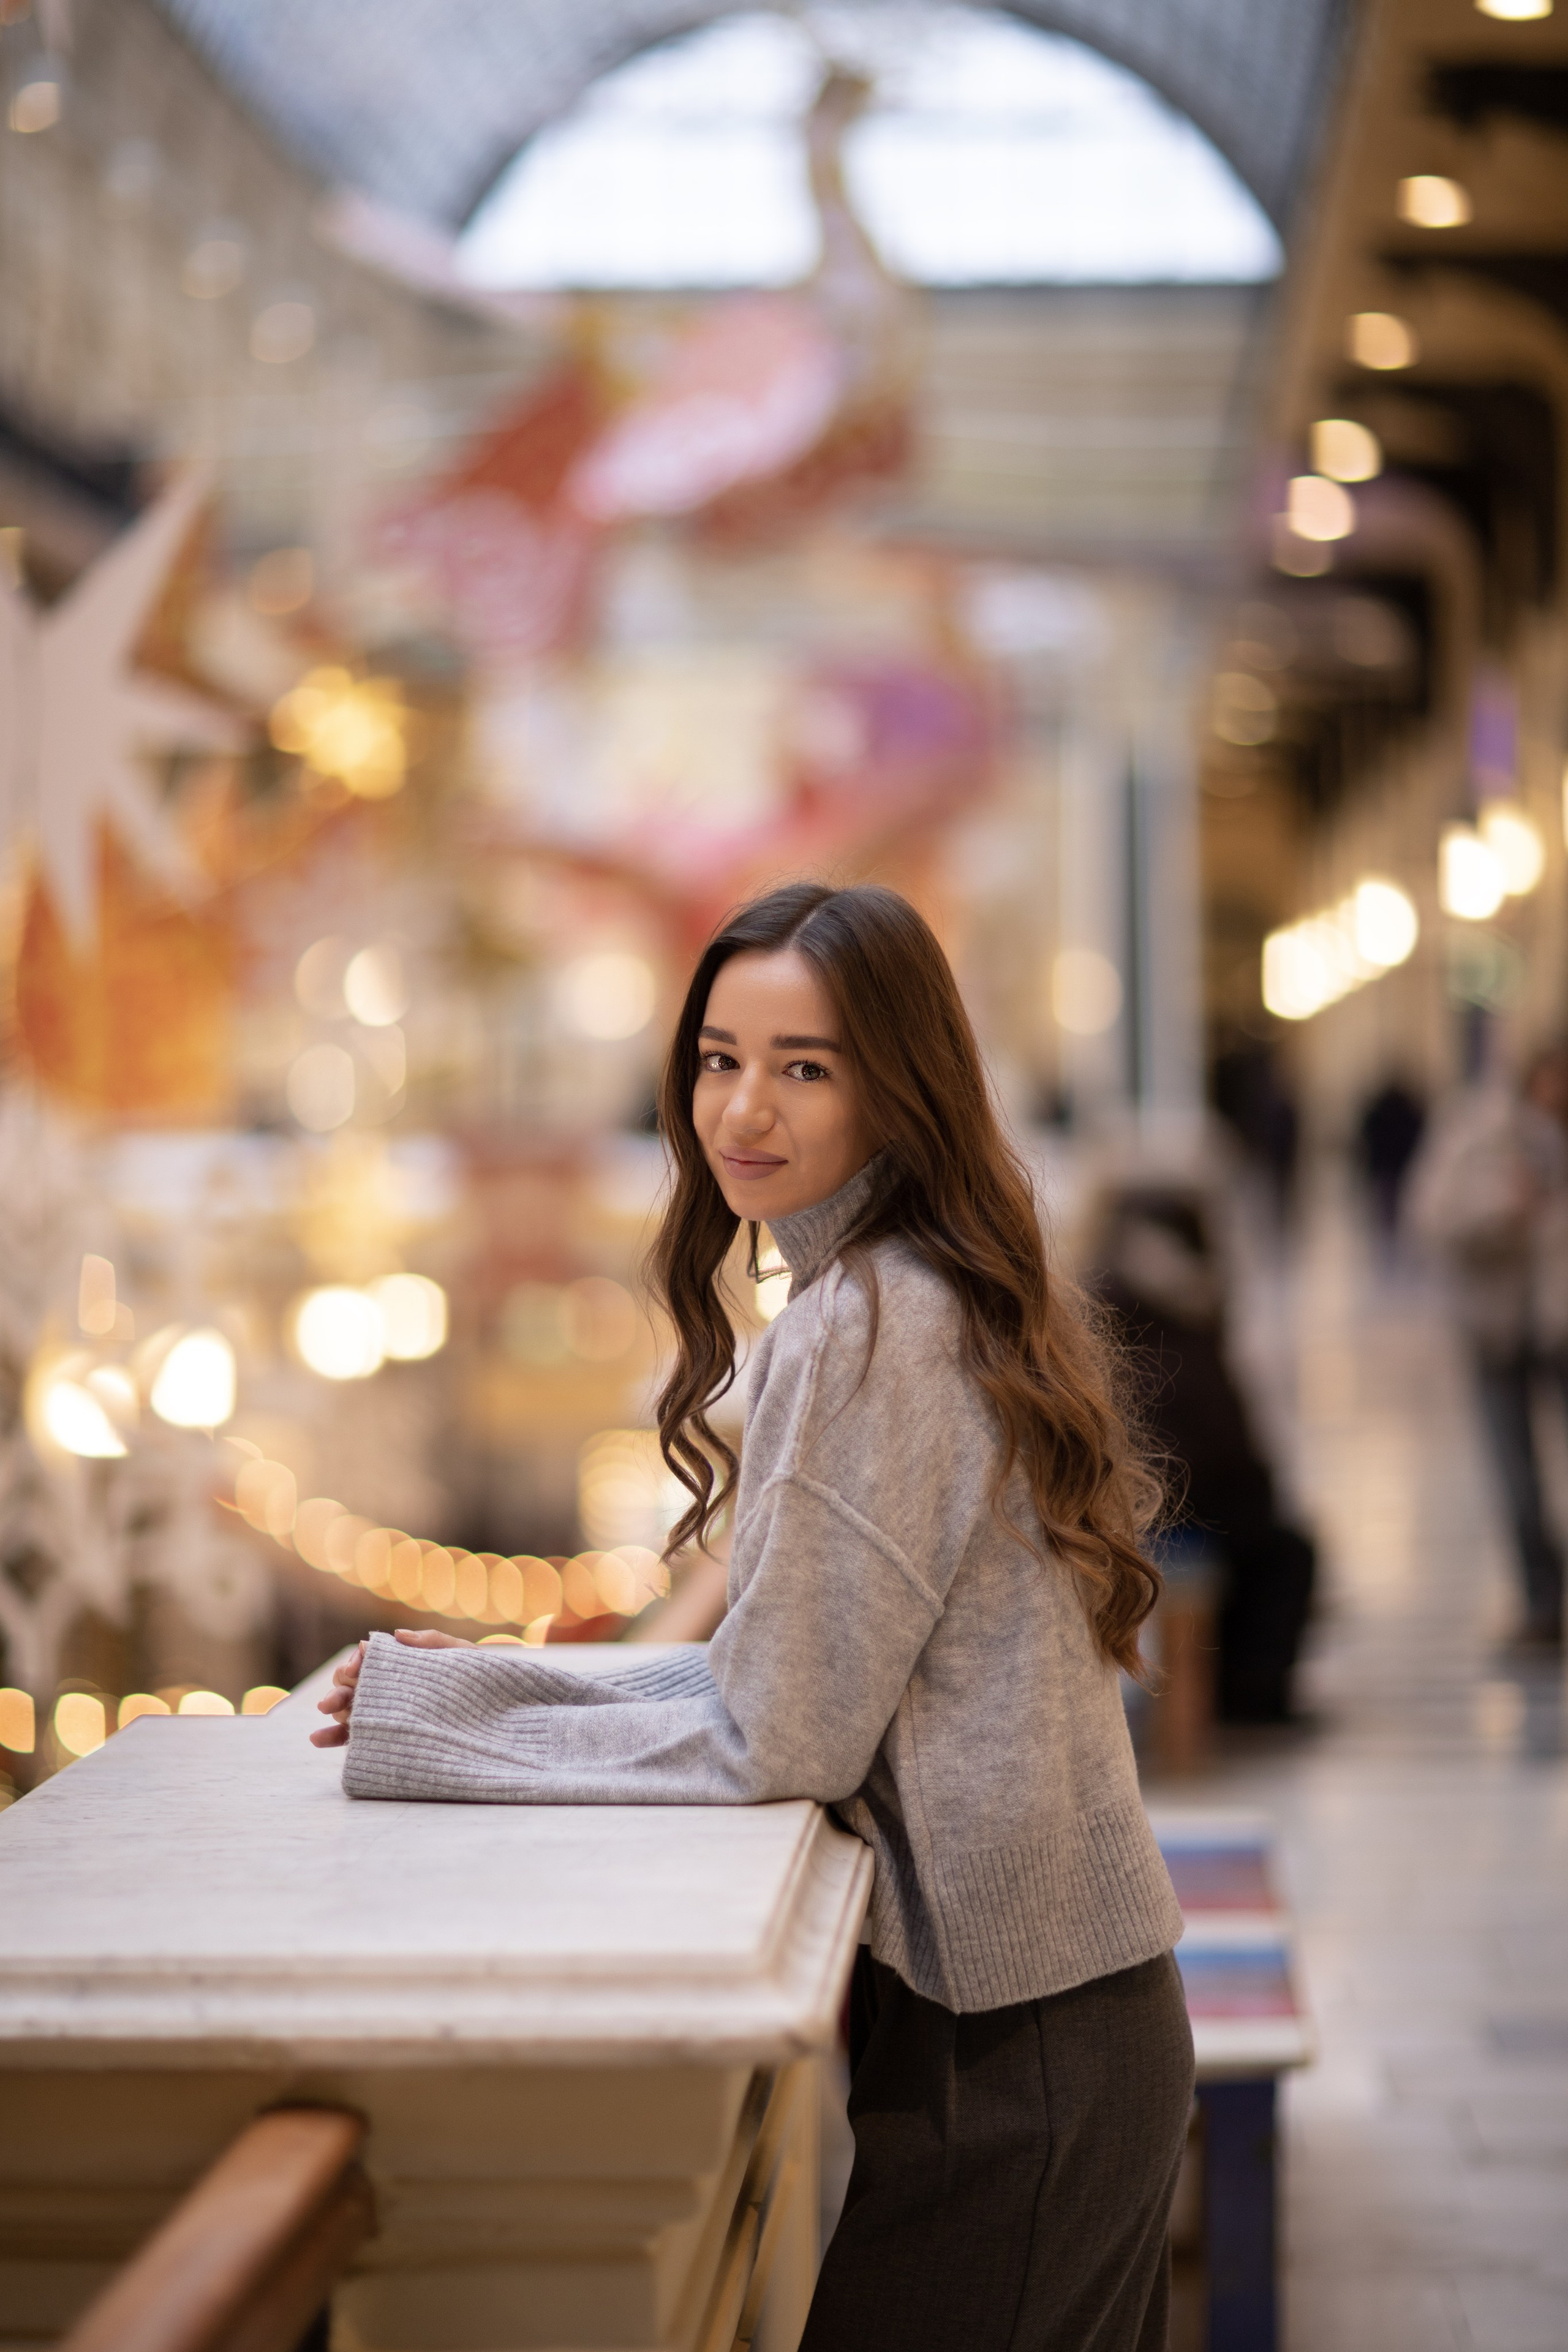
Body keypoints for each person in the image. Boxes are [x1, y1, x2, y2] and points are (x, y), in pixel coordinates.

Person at [313, 881, 1193, 2351]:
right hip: (1051, 2025)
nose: (742, 1108)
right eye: (719, 1058)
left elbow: (777, 1737)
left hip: (1024, 2055)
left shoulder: (865, 1327)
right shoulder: (911, 1289)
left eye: (805, 1066)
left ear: (897, 1085)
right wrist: (490, 1685)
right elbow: (775, 1671)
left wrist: (452, 1729)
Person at [1093, 1185, 1316, 1723]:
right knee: (1280, 1555)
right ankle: (1248, 1698)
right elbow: (1176, 1441)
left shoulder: (1179, 1311)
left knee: (1282, 1552)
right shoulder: (1145, 1313)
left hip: (1195, 1497)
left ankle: (1242, 1691)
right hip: (1167, 1507)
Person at [1409, 1044, 1568, 1653]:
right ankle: (1542, 1603)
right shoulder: (1480, 1135)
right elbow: (1431, 1214)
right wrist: (1503, 1210)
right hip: (1496, 1326)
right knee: (1515, 1474)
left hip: (1558, 1323)